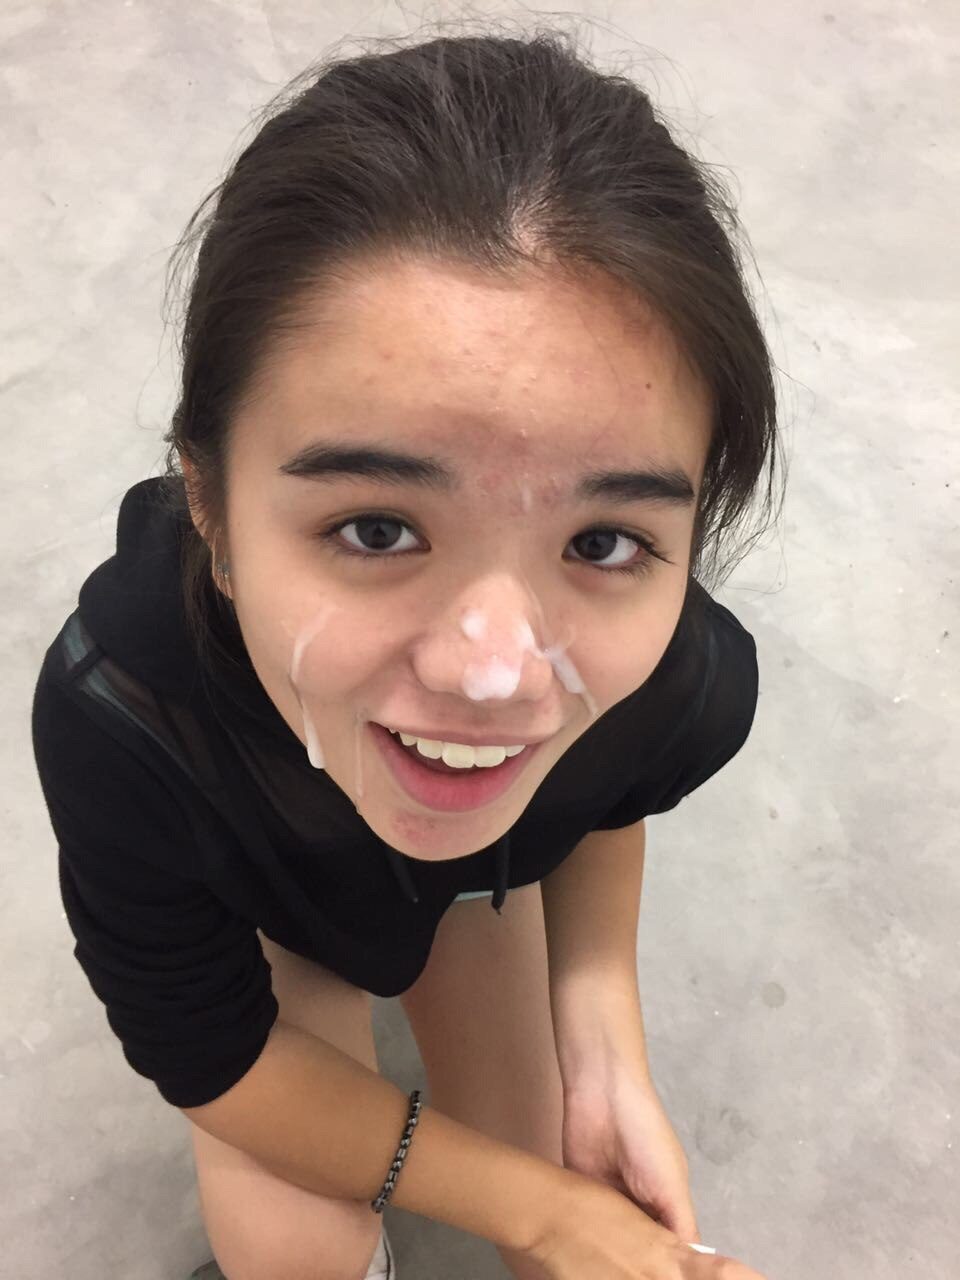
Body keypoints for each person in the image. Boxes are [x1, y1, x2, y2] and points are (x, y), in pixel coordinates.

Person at [30, 26, 782, 1280]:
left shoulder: (670, 668)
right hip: (271, 872)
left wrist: (603, 1038)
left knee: (563, 1158)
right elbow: (214, 1055)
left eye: (601, 539)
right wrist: (537, 1210)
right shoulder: (130, 711)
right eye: (377, 528)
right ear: (207, 500)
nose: (497, 673)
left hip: (471, 878)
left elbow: (606, 793)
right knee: (299, 1250)